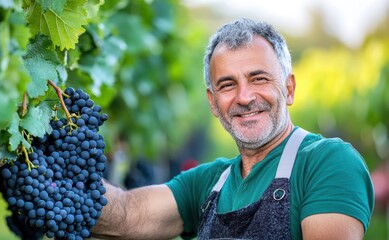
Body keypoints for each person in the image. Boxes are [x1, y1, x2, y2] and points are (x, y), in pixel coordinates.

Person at [91, 18, 374, 239]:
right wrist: (54, 179)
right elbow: (127, 214)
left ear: (288, 89)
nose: (244, 97)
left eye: (258, 79)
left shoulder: (327, 162)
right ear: (213, 102)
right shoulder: (207, 183)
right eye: (227, 85)